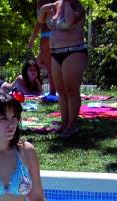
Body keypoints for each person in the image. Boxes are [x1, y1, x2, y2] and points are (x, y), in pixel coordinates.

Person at [38, 0, 87, 138]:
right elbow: (41, 19)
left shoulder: (76, 6)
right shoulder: (56, 4)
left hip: (74, 51)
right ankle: (64, 123)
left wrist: (66, 3)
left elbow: (69, 22)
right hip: (56, 53)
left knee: (71, 90)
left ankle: (72, 125)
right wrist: (44, 8)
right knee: (61, 91)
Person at [28, 0, 58, 97]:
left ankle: (53, 92)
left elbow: (40, 21)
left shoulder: (41, 1)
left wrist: (32, 38)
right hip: (58, 35)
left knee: (50, 67)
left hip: (46, 36)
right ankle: (57, 90)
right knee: (52, 64)